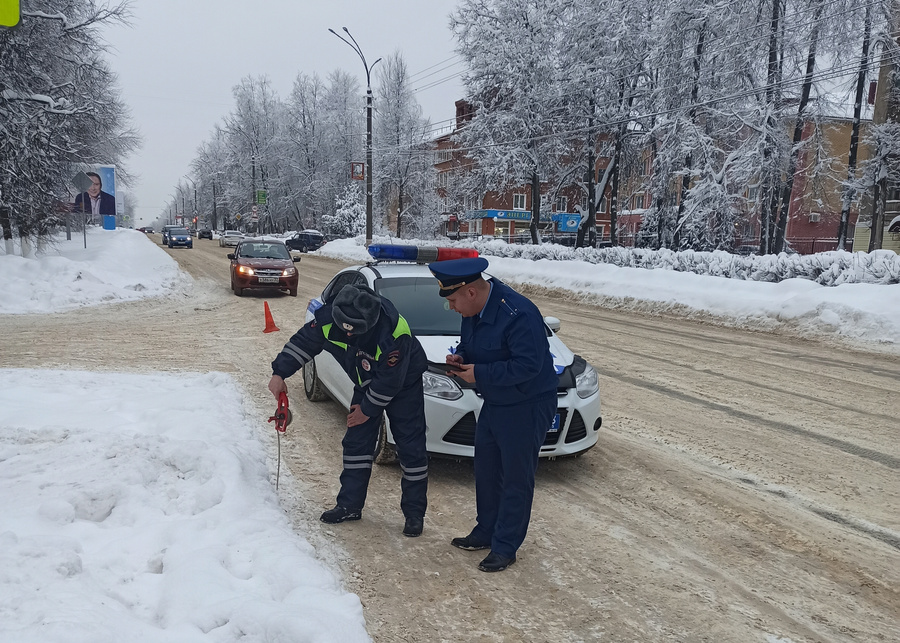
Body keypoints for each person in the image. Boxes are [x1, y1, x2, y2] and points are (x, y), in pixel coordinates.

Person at [268, 284, 429, 537]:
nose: (350, 337)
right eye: (346, 331)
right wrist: (279, 373)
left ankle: (414, 514)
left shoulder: (394, 334)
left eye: (356, 332)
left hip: (403, 385)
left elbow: (390, 382)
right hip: (365, 383)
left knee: (411, 448)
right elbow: (303, 344)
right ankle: (349, 506)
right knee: (356, 444)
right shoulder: (328, 318)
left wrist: (367, 409)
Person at [429, 257, 557, 572]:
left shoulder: (519, 314)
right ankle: (486, 530)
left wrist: (481, 374)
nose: (452, 308)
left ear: (471, 292)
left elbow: (529, 366)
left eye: (454, 301)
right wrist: (461, 356)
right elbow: (476, 345)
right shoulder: (474, 310)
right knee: (486, 470)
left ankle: (505, 545)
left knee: (515, 477)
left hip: (527, 405)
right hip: (496, 402)